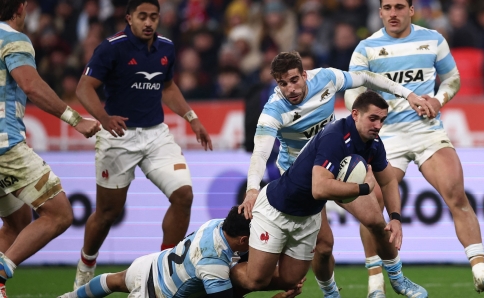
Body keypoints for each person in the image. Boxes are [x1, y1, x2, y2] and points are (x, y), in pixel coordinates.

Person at [239, 52, 428, 298]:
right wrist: (252, 189)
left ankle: (397, 278)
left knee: (375, 221)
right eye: (282, 84)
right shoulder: (273, 110)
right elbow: (260, 153)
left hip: (339, 162)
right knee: (325, 246)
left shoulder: (327, 79)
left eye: (294, 80)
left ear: (304, 74)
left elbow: (366, 78)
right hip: (303, 177)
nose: (290, 89)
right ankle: (331, 295)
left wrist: (408, 94)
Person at [345, 0, 484, 295]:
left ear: (411, 10)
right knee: (373, 203)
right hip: (385, 136)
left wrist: (437, 101)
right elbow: (352, 90)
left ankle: (480, 269)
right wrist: (367, 116)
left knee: (456, 193)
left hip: (426, 131)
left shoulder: (433, 39)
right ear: (379, 12)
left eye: (400, 7)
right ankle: (376, 281)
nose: (394, 13)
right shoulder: (366, 48)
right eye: (388, 7)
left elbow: (452, 78)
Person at [73, 0, 213, 290]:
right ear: (129, 18)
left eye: (154, 17)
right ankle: (86, 265)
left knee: (184, 195)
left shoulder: (166, 47)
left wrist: (192, 118)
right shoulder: (111, 47)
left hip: (156, 135)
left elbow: (168, 85)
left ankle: (165, 270)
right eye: (142, 17)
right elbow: (83, 87)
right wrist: (103, 117)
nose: (148, 22)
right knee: (108, 213)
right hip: (118, 136)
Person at [0, 0, 100, 296]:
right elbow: (30, 85)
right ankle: (1, 271)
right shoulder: (13, 39)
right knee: (59, 214)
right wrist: (75, 119)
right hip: (5, 147)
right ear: (21, 8)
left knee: (17, 221)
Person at [59, 206, 300, 298]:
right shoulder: (213, 263)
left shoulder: (216, 224)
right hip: (157, 296)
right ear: (244, 239)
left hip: (150, 265)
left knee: (114, 280)